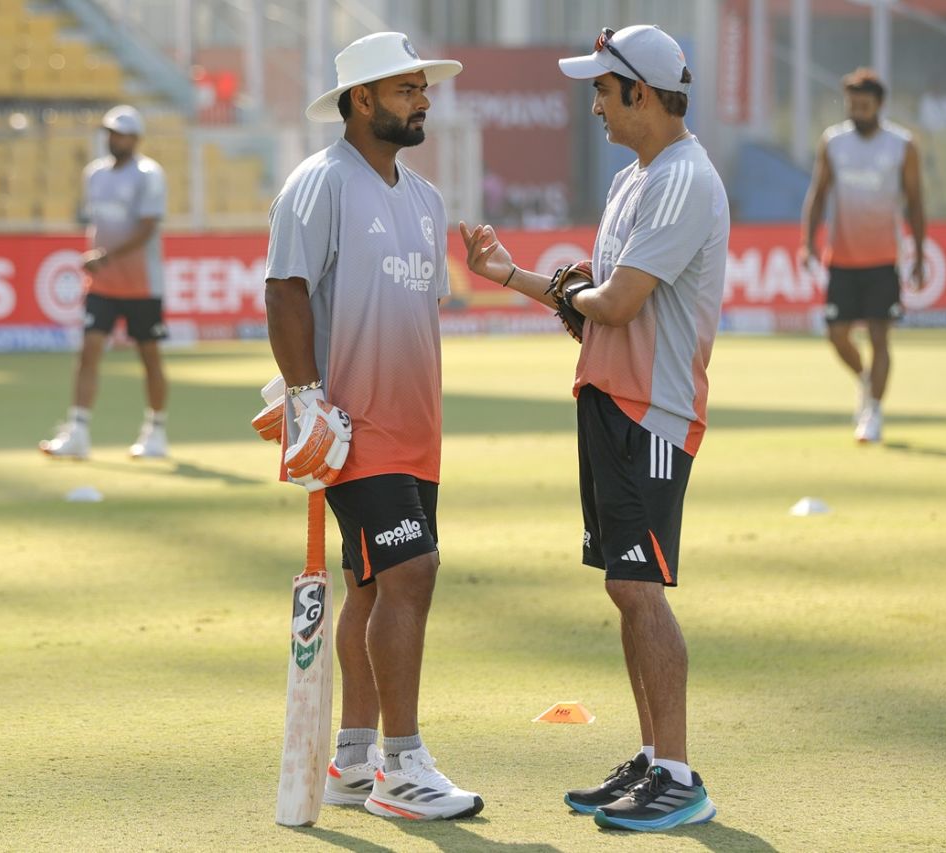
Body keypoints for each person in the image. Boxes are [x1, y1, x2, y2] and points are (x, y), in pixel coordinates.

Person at [461, 24, 726, 833]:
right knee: (624, 585)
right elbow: (596, 306)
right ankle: (654, 761)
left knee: (640, 586)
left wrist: (574, 291)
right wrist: (513, 275)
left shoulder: (683, 178)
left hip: (652, 409)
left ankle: (678, 775)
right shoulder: (636, 178)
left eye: (604, 91)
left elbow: (613, 304)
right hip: (611, 396)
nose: (595, 105)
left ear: (641, 93)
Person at [264, 32, 482, 821]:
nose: (423, 100)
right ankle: (404, 765)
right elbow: (285, 291)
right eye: (406, 89)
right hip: (353, 428)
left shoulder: (424, 199)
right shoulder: (318, 184)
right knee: (411, 574)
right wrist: (304, 396)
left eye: (423, 87)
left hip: (418, 429)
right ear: (362, 101)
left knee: (371, 583)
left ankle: (353, 761)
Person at [799, 67, 926, 444]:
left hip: (883, 258)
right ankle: (867, 380)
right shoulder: (833, 142)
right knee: (837, 336)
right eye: (852, 104)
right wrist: (808, 242)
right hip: (841, 257)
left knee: (879, 337)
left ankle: (872, 412)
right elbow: (818, 194)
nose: (857, 111)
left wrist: (919, 253)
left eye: (865, 105)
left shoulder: (902, 145)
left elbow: (915, 202)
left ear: (879, 106)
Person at [40, 105, 169, 460]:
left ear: (136, 138)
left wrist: (105, 256)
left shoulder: (149, 174)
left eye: (122, 133)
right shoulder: (94, 174)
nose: (115, 139)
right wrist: (101, 260)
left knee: (149, 356)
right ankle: (78, 431)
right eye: (111, 132)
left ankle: (156, 431)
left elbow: (146, 228)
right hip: (102, 284)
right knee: (88, 352)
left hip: (143, 283)